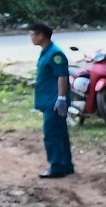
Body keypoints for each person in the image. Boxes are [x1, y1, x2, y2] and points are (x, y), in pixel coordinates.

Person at [29, 22, 73, 179]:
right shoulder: (46, 52)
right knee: (60, 133)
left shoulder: (55, 54)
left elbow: (62, 75)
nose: (31, 38)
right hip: (49, 99)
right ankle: (66, 165)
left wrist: (61, 98)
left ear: (41, 35)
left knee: (52, 134)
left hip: (54, 101)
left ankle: (56, 166)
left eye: (33, 34)